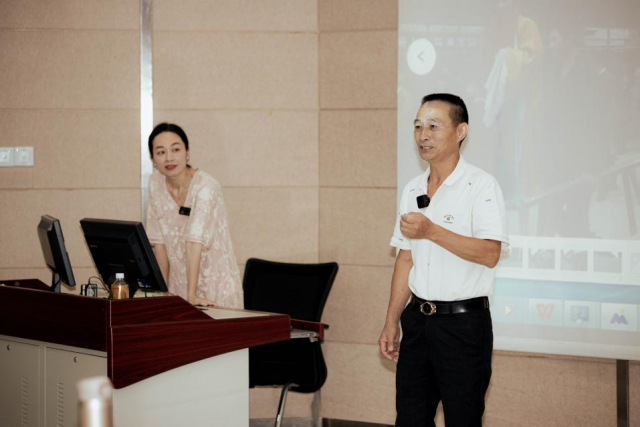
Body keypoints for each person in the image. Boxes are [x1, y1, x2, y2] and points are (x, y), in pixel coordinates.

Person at [378, 94, 508, 426]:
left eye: (434, 126)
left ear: (460, 131)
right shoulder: (412, 188)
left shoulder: (481, 186)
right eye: (418, 127)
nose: (423, 135)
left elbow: (490, 253)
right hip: (417, 323)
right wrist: (392, 321)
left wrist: (433, 231)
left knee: (463, 419)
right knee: (410, 418)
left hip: (463, 326)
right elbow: (405, 258)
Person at [146, 122, 243, 308]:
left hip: (215, 285)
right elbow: (159, 243)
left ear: (187, 152)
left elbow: (194, 241)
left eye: (176, 149)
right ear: (153, 159)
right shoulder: (155, 184)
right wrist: (162, 292)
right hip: (179, 287)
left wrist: (192, 295)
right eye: (161, 152)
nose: (169, 158)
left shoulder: (206, 186)